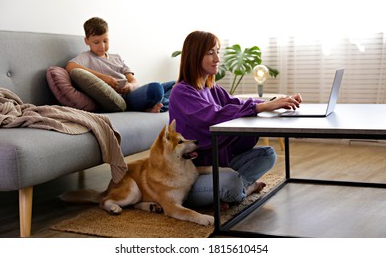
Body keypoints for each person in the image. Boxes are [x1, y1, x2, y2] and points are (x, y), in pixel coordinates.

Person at [169, 30, 302, 208]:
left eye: (217, 52)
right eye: (210, 53)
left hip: (220, 165)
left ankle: (233, 193)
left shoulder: (213, 89)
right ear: (194, 56)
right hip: (192, 175)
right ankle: (242, 190)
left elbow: (236, 103)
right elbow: (214, 115)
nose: (217, 58)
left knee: (268, 154)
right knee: (230, 182)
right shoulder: (181, 92)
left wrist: (274, 102)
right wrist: (261, 107)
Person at [66, 17, 174, 113]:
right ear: (87, 41)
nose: (102, 46)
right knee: (156, 89)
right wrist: (104, 78)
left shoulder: (117, 57)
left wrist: (130, 86)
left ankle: (153, 106)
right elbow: (70, 66)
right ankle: (158, 105)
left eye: (105, 41)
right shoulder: (86, 57)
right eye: (96, 42)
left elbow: (134, 81)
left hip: (132, 92)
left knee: (177, 84)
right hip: (125, 100)